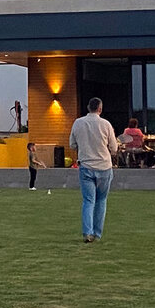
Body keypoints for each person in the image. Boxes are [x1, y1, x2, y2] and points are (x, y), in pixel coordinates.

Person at [70, 97, 116, 243]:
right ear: (100, 109)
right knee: (101, 200)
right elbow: (114, 148)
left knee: (88, 200)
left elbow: (72, 144)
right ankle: (97, 233)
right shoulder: (106, 124)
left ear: (88, 107)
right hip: (104, 166)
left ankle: (87, 232)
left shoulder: (78, 123)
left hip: (86, 166)